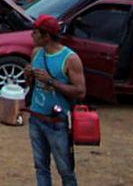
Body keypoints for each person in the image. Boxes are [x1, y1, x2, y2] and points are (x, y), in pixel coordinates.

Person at [24, 14, 86, 186]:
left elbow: (80, 91)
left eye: (35, 32)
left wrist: (51, 81)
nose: (32, 35)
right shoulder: (37, 53)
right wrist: (28, 76)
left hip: (57, 122)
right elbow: (31, 85)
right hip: (36, 118)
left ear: (47, 36)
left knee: (65, 170)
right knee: (40, 166)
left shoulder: (70, 59)